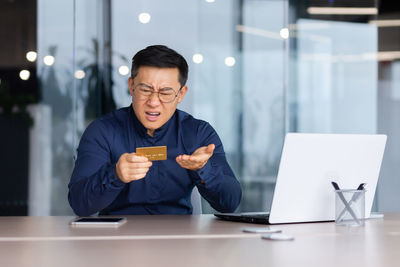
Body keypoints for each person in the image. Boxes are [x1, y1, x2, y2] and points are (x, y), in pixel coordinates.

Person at [68, 45, 242, 216]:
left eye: (165, 93)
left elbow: (230, 203)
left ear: (181, 94)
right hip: (117, 238)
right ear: (131, 86)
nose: (153, 102)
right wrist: (116, 174)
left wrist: (204, 169)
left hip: (181, 239)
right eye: (145, 90)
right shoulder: (103, 131)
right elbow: (79, 204)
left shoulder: (198, 133)